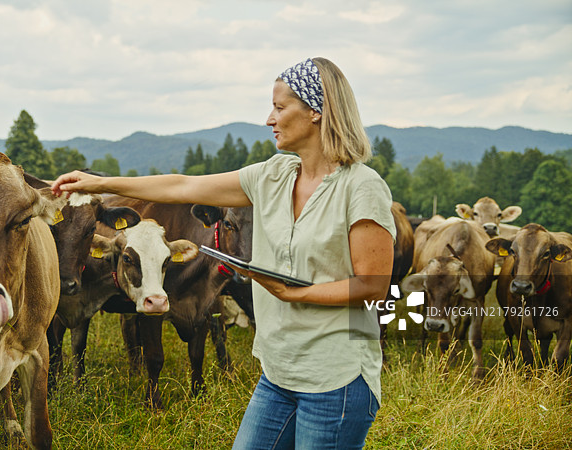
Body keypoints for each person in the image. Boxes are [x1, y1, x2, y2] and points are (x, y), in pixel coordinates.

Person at [51, 57, 395, 449]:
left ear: (317, 111)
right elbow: (182, 186)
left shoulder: (361, 188)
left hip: (336, 381)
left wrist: (294, 294)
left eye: (280, 108)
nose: (270, 118)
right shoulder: (272, 176)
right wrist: (100, 183)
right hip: (278, 374)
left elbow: (372, 286)